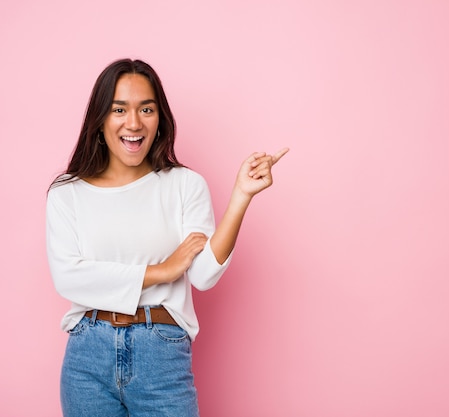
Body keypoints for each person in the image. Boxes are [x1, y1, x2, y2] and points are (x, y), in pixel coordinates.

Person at [46, 58, 288, 417]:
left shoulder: (184, 185)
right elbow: (69, 278)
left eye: (147, 108)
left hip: (160, 353)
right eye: (119, 109)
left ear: (160, 119)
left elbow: (203, 275)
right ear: (99, 120)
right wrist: (161, 271)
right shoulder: (67, 193)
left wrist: (240, 197)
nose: (134, 123)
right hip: (87, 357)